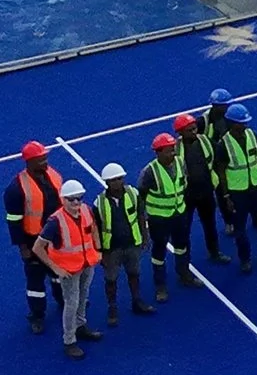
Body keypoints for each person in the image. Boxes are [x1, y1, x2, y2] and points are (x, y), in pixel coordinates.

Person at [3, 140, 67, 335]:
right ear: (29, 162)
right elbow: (14, 221)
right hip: (34, 241)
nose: (45, 161)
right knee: (35, 281)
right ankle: (37, 315)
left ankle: (63, 301)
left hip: (56, 237)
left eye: (45, 157)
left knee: (59, 274)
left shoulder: (53, 176)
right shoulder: (16, 189)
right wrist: (22, 247)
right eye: (41, 159)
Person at [34, 179, 102, 359]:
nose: (76, 203)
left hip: (87, 264)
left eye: (79, 198)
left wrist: (98, 248)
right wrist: (55, 268)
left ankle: (80, 326)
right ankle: (69, 340)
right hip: (69, 270)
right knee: (71, 303)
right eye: (72, 199)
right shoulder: (55, 221)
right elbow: (37, 247)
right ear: (63, 200)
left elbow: (93, 229)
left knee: (83, 297)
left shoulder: (86, 211)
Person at [217, 103, 257, 272]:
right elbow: (221, 172)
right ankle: (245, 259)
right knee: (240, 229)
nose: (245, 125)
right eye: (242, 122)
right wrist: (226, 197)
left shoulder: (253, 135)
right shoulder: (224, 144)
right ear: (231, 123)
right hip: (237, 192)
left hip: (256, 187)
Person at [94, 162, 157, 324]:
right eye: (113, 180)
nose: (117, 182)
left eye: (119, 179)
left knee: (134, 274)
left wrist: (145, 236)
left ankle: (137, 301)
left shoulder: (133, 194)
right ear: (106, 182)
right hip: (111, 249)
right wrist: (100, 252)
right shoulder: (98, 203)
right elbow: (96, 229)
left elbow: (141, 215)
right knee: (111, 279)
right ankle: (112, 307)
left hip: (132, 244)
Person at [140, 129, 197, 299]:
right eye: (168, 150)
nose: (172, 153)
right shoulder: (149, 172)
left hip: (179, 214)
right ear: (158, 153)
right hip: (159, 219)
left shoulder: (180, 163)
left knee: (182, 246)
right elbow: (140, 198)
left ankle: (184, 273)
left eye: (173, 149)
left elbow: (183, 183)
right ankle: (160, 286)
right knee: (159, 253)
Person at [180, 101, 227, 266]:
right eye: (189, 130)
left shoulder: (206, 142)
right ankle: (184, 262)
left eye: (194, 128)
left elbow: (220, 156)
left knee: (210, 225)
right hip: (187, 196)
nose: (194, 131)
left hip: (206, 192)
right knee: (184, 230)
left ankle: (215, 252)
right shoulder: (176, 149)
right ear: (181, 132)